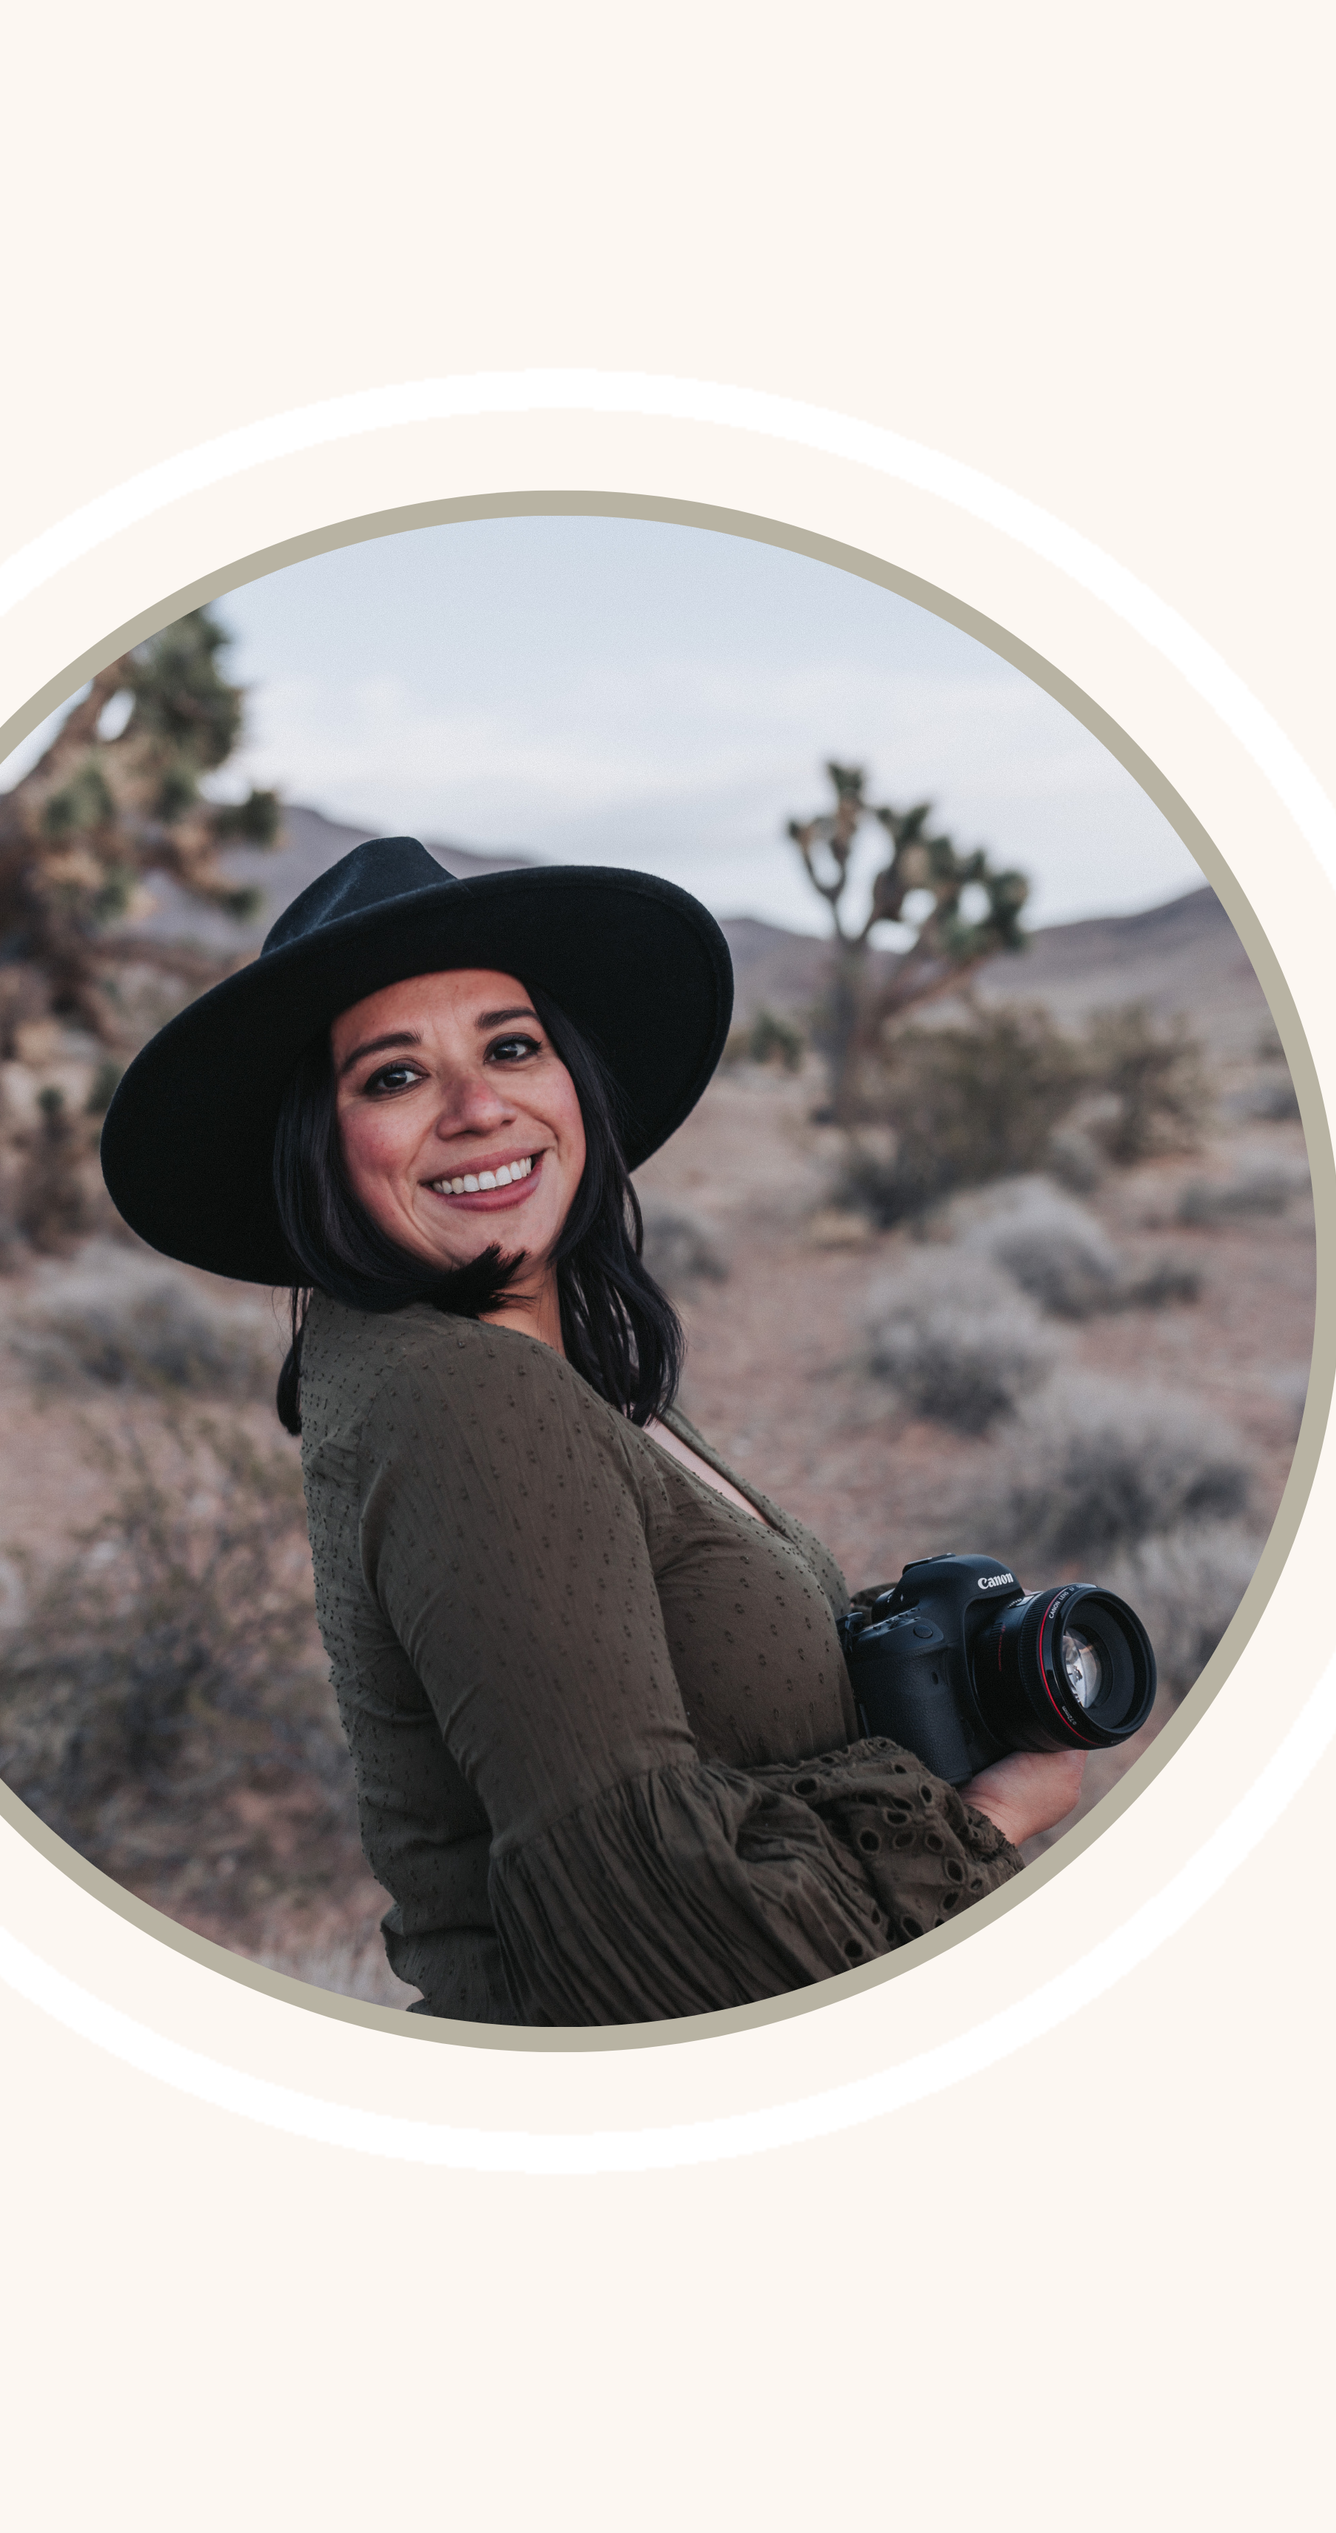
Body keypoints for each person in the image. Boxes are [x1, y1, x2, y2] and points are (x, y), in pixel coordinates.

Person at [100, 839, 1083, 2026]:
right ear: (322, 1141)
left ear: (574, 1083)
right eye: (394, 1077)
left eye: (511, 1047)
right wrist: (989, 1821)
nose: (478, 1108)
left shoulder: (552, 1372)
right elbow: (663, 1936)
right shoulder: (463, 1394)